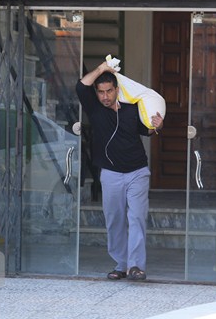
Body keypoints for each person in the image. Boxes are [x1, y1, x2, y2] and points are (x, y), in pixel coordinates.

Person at [76, 61, 164, 281]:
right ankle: (121, 264)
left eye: (109, 91)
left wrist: (157, 126)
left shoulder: (131, 107)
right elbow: (81, 86)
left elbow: (145, 130)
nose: (105, 96)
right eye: (101, 92)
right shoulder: (94, 108)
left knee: (136, 218)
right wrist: (102, 68)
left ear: (117, 89)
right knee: (114, 220)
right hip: (110, 174)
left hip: (137, 171)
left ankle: (135, 266)